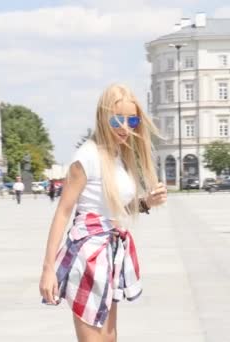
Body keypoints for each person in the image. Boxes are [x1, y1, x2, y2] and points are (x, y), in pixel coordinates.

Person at [38, 84, 167, 342]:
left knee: (109, 339)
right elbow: (63, 213)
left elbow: (114, 208)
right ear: (103, 116)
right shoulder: (87, 157)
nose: (125, 127)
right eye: (117, 119)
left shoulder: (119, 156)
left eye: (131, 120)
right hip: (88, 256)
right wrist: (48, 269)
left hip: (110, 254)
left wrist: (146, 203)